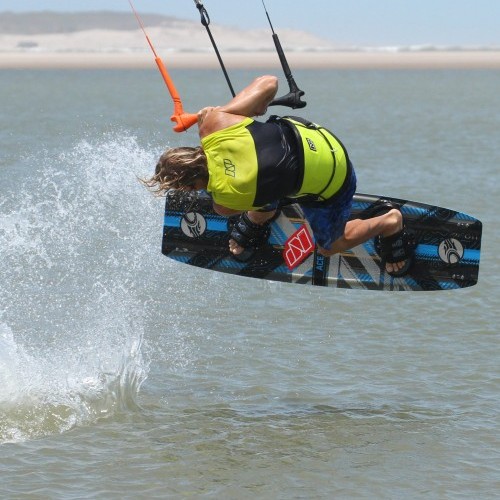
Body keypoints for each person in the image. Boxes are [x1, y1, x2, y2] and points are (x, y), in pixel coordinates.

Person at [143, 75, 415, 276]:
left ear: (192, 185)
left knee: (330, 245)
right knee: (262, 184)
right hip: (322, 139)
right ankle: (264, 210)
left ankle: (389, 222)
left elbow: (231, 183)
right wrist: (241, 108)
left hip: (337, 180)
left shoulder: (224, 204)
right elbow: (269, 82)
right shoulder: (215, 124)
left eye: (187, 190)